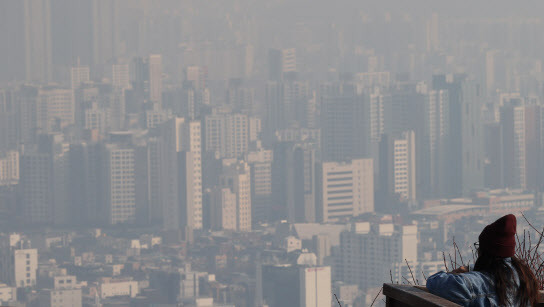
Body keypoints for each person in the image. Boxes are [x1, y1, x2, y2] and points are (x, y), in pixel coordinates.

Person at [426, 214, 539, 306]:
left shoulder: (477, 283)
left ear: (486, 251)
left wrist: (460, 271)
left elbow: (434, 283)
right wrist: (470, 268)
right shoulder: (522, 275)